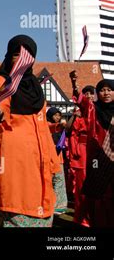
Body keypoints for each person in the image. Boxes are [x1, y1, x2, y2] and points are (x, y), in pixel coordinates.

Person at [0, 35, 59, 227]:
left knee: (43, 209)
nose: (21, 59)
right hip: (17, 160)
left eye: (27, 55)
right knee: (17, 208)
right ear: (8, 57)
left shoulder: (36, 88)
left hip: (41, 158)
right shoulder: (2, 82)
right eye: (16, 55)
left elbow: (42, 125)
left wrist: (54, 162)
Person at [70, 72, 113, 227]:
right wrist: (75, 85)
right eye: (102, 90)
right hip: (97, 159)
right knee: (100, 196)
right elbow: (82, 102)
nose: (106, 93)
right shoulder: (93, 110)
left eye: (109, 90)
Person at [64, 85, 94, 227]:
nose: (88, 95)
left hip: (94, 151)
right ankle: (81, 217)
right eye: (86, 93)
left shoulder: (96, 110)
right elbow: (68, 130)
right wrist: (74, 116)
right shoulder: (78, 112)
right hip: (80, 152)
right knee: (81, 185)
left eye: (91, 93)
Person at [46, 107, 68, 215]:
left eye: (59, 115)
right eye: (55, 115)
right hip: (48, 154)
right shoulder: (46, 126)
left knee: (59, 179)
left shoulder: (60, 128)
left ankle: (59, 204)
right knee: (50, 179)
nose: (57, 117)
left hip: (58, 156)